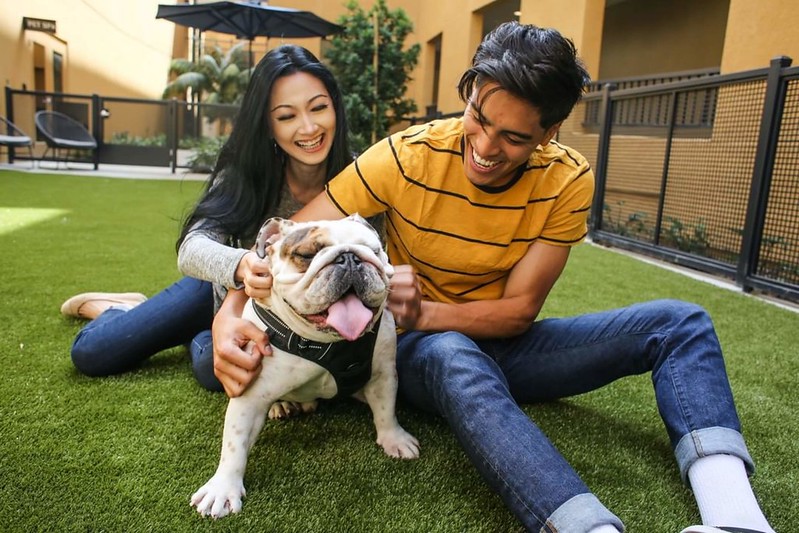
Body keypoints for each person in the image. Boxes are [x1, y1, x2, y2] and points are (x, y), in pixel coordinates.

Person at [211, 22, 776, 533]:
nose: (484, 147)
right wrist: (228, 315)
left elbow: (518, 312)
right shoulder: (406, 156)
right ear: (469, 94)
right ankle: (586, 528)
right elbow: (291, 241)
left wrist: (420, 311)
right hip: (424, 353)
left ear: (550, 132)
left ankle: (735, 517)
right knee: (454, 353)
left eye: (514, 138)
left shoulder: (568, 179)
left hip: (504, 341)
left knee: (682, 323)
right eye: (479, 118)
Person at [60, 44, 355, 392]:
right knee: (92, 353)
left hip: (277, 318)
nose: (308, 128)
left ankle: (195, 334)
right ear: (267, 125)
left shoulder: (360, 176)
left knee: (214, 369)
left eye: (319, 108)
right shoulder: (245, 172)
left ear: (335, 106)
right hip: (213, 291)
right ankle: (115, 308)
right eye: (286, 116)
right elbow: (192, 247)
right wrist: (242, 264)